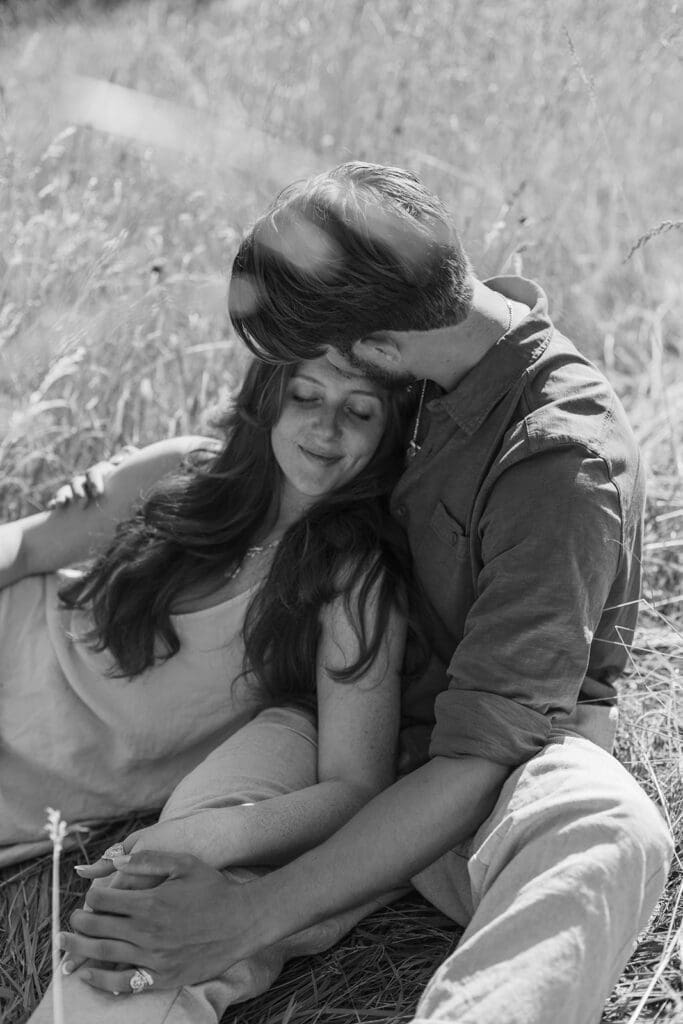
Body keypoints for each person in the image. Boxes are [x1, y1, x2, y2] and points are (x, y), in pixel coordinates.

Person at [56, 162, 673, 1024]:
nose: (321, 398)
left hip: (487, 778)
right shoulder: (432, 337)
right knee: (153, 887)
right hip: (334, 728)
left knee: (611, 828)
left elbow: (482, 753)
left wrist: (257, 914)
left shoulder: (556, 461)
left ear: (377, 346)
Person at [1, 354, 417, 1017]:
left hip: (39, 775)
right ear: (269, 395)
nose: (324, 427)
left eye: (359, 411)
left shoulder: (351, 581)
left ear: (390, 432)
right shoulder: (185, 470)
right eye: (305, 396)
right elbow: (23, 548)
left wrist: (216, 836)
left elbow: (356, 784)